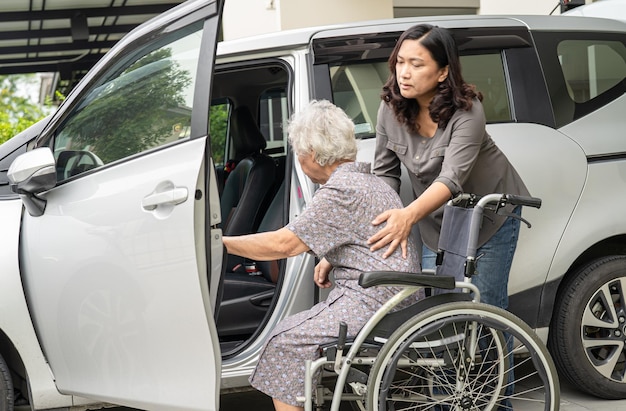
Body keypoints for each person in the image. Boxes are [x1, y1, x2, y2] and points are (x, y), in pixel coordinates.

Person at [366, 23, 530, 410]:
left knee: (484, 310)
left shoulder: (466, 110)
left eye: (416, 64)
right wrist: (373, 225)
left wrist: (405, 216)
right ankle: (447, 404)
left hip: (488, 215)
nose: (404, 73)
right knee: (441, 316)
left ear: (442, 72)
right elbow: (384, 175)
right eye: (400, 62)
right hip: (436, 224)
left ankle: (497, 403)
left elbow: (451, 179)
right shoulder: (391, 109)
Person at [222, 99, 421, 411]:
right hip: (391, 295)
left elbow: (284, 245)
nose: (300, 160)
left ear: (312, 154)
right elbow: (359, 234)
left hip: (375, 301)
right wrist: (331, 255)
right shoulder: (369, 182)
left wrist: (223, 244)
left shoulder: (340, 191)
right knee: (289, 331)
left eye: (299, 153)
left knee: (285, 342)